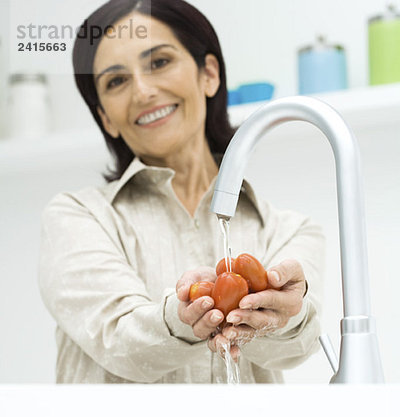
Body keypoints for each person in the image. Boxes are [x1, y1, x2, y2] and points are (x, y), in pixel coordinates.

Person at [38, 0, 325, 384]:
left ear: (208, 74)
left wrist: (283, 314)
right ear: (106, 116)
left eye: (158, 62)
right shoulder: (76, 217)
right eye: (116, 81)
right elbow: (118, 339)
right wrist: (184, 317)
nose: (142, 91)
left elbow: (297, 347)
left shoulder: (287, 230)